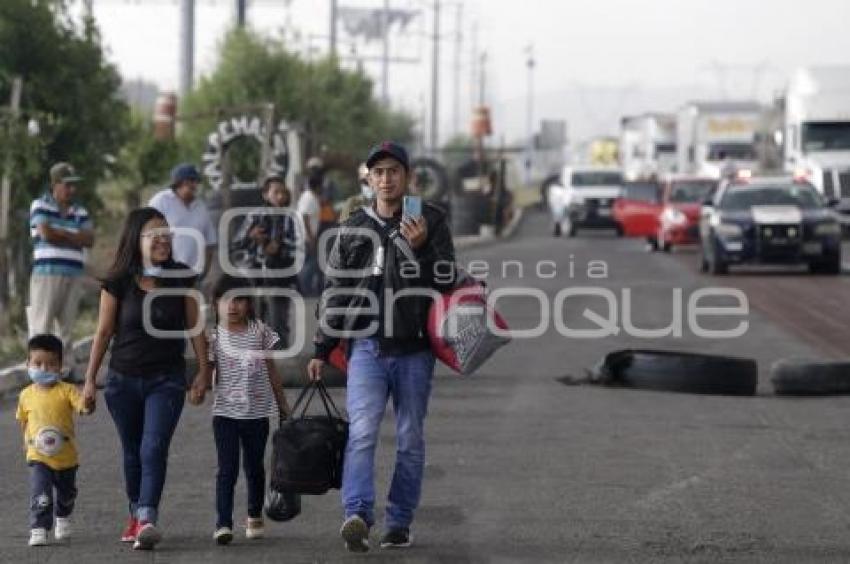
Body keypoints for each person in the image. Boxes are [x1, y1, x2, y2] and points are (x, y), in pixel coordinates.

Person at [307, 141, 457, 552]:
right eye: (379, 172)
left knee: (409, 437)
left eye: (394, 171)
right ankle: (356, 514)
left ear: (408, 177)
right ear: (369, 179)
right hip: (367, 348)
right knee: (362, 433)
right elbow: (336, 288)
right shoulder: (353, 225)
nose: (386, 179)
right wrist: (321, 349)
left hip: (415, 349)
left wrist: (424, 246)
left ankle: (399, 522)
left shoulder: (431, 219)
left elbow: (447, 282)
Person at [81, 207, 209, 550]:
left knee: (153, 447)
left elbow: (195, 328)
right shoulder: (119, 280)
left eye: (166, 233)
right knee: (132, 451)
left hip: (165, 380)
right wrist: (90, 381)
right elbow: (104, 331)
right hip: (122, 382)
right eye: (154, 234)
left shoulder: (181, 277)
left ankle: (148, 516)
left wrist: (203, 371)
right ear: (136, 240)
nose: (163, 240)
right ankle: (135, 512)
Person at [189, 275, 290, 545]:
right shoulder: (214, 338)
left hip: (258, 414)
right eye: (225, 300)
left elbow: (271, 370)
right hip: (225, 415)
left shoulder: (261, 332)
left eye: (239, 300)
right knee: (227, 468)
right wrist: (198, 388)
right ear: (216, 304)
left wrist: (283, 405)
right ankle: (223, 523)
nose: (232, 306)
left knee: (255, 467)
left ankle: (254, 515)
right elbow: (207, 371)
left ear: (249, 303)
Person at [16, 334, 90, 547]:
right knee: (41, 492)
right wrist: (25, 441)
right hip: (38, 455)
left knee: (67, 494)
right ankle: (38, 527)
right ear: (28, 364)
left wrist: (88, 403)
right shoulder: (26, 395)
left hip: (66, 456)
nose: (43, 369)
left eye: (51, 364)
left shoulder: (66, 391)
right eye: (38, 363)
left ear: (60, 367)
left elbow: (82, 406)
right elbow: (23, 420)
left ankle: (63, 516)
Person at [28, 162, 94, 373]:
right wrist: (73, 236)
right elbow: (46, 234)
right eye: (67, 185)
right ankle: (38, 371)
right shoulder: (40, 205)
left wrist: (62, 233)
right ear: (55, 184)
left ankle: (65, 370)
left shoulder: (80, 211)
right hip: (47, 273)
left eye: (74, 185)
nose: (72, 190)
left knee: (66, 327)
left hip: (73, 273)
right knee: (42, 324)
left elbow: (89, 239)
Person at [229, 175, 298, 346]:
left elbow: (293, 248)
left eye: (283, 192)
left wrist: (274, 247)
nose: (280, 196)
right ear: (266, 195)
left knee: (278, 325)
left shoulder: (290, 218)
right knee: (254, 324)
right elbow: (236, 245)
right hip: (255, 278)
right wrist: (251, 237)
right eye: (276, 192)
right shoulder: (254, 216)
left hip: (280, 278)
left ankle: (282, 366)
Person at [149, 163, 217, 279]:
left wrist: (204, 272)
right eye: (191, 180)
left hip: (192, 275)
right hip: (164, 273)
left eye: (196, 181)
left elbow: (209, 243)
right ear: (179, 182)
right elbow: (148, 236)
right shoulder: (161, 201)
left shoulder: (200, 207)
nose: (195, 185)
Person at [296, 157, 323, 296]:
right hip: (307, 237)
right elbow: (305, 217)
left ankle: (305, 288)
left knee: (308, 263)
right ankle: (303, 289)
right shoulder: (309, 198)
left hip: (307, 235)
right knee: (310, 264)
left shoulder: (309, 196)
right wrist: (311, 237)